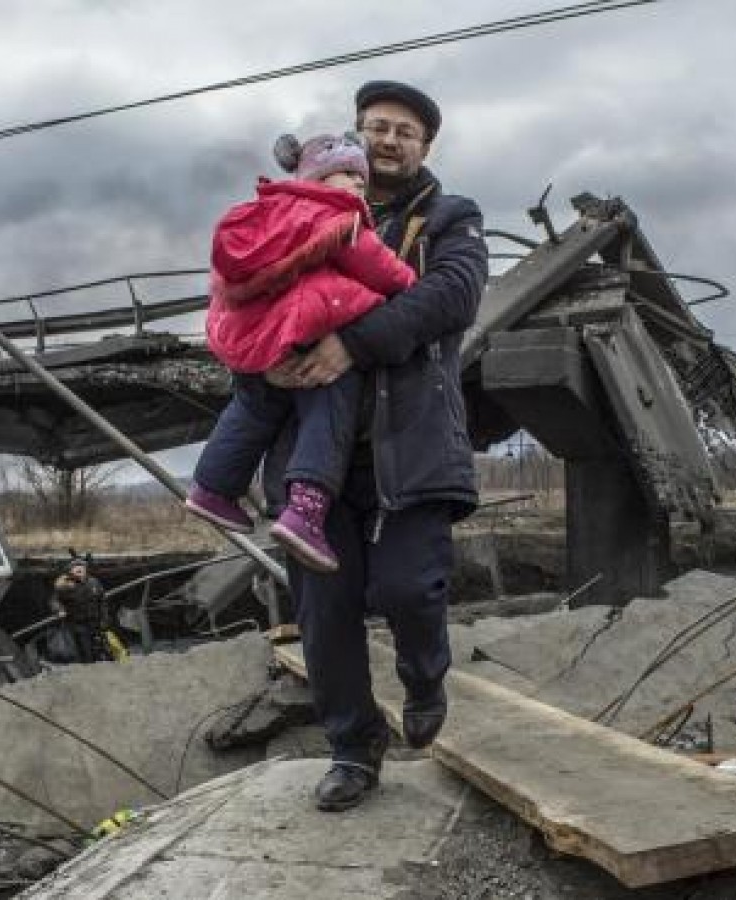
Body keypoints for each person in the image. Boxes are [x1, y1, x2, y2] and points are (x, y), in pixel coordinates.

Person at [265, 81, 488, 811]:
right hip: (313, 465)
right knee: (324, 618)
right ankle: (353, 750)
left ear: (425, 148)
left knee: (406, 589)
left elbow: (451, 298)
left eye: (405, 132)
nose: (389, 141)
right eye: (376, 128)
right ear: (355, 138)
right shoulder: (303, 210)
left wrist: (350, 343)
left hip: (412, 446)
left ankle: (425, 678)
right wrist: (261, 351)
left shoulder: (452, 218)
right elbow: (250, 293)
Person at [185, 132, 416, 574]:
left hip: (258, 338)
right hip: (308, 326)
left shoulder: (268, 214)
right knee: (329, 401)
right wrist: (411, 286)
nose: (358, 185)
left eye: (361, 179)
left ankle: (212, 487)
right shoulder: (337, 218)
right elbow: (381, 269)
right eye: (349, 174)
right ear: (319, 178)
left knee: (254, 406)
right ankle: (306, 511)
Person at [52, 555, 111, 663]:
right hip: (79, 625)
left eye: (81, 566)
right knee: (86, 652)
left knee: (103, 650)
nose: (79, 568)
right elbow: (54, 600)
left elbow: (102, 602)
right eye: (75, 567)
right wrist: (59, 610)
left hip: (96, 623)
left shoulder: (94, 582)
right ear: (71, 571)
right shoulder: (66, 585)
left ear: (85, 569)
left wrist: (105, 620)